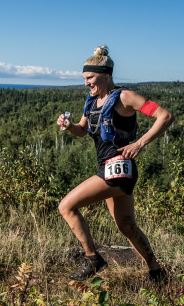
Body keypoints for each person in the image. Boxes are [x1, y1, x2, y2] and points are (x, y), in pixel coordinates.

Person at [57, 46, 175, 281]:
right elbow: (82, 130)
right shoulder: (92, 102)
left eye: (90, 77)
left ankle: (92, 258)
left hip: (119, 169)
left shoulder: (124, 97)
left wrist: (139, 143)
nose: (86, 83)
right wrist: (69, 126)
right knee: (126, 226)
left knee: (66, 207)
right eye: (84, 78)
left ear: (106, 74)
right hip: (112, 169)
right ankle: (156, 271)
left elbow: (165, 116)